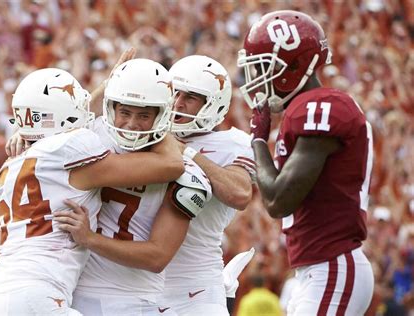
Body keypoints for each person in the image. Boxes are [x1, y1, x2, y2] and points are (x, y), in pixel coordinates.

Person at [0, 68, 185, 316]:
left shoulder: (13, 162)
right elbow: (171, 165)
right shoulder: (74, 151)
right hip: (38, 297)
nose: (86, 110)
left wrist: (106, 88)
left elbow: (57, 122)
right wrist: (162, 118)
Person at [238, 10, 374, 315]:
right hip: (318, 269)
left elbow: (278, 200)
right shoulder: (308, 109)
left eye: (265, 67)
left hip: (332, 266)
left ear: (295, 66)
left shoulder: (319, 107)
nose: (259, 79)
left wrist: (258, 140)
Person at [52, 58, 213, 316]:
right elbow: (55, 125)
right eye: (125, 112)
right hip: (74, 290)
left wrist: (91, 239)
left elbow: (157, 256)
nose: (131, 124)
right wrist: (22, 136)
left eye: (144, 115)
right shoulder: (90, 138)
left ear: (162, 114)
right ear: (111, 108)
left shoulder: (187, 173)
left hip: (133, 299)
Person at [158, 55, 256, 315]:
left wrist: (187, 153)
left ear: (213, 104)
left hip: (197, 289)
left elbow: (239, 193)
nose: (177, 103)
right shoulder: (151, 136)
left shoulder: (232, 143)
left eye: (189, 97)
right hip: (143, 286)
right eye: (174, 94)